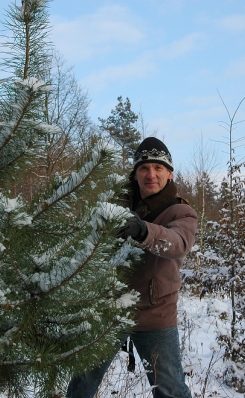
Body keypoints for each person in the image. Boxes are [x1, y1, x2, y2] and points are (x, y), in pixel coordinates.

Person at [67, 137, 198, 398]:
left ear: (169, 173)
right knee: (81, 386)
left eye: (158, 168)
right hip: (108, 311)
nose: (151, 174)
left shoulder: (181, 213)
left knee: (170, 389)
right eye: (144, 168)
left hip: (155, 313)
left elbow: (177, 243)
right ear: (135, 174)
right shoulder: (114, 207)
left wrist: (143, 230)